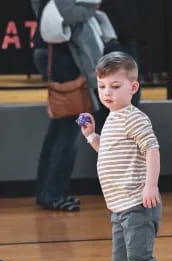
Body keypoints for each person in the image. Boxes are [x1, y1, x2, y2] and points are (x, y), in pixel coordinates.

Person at [79, 52, 172, 261]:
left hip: (138, 205)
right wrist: (91, 137)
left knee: (141, 260)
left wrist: (150, 185)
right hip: (119, 207)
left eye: (115, 86)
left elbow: (152, 149)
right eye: (102, 86)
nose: (107, 93)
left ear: (133, 87)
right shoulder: (112, 117)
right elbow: (107, 152)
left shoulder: (135, 118)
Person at [34, 0, 106, 211]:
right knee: (69, 132)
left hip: (57, 53)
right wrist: (91, 7)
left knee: (59, 130)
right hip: (64, 56)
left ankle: (47, 192)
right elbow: (64, 12)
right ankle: (53, 193)